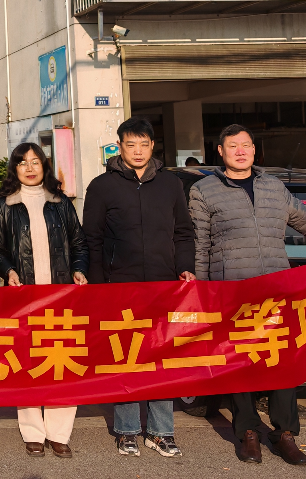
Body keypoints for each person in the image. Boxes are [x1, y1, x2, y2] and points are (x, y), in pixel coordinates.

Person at [189, 124, 306, 466]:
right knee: (239, 364)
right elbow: (200, 244)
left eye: (246, 145)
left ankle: (285, 434)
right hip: (232, 292)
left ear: (255, 150)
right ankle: (248, 433)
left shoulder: (273, 187)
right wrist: (203, 293)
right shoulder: (203, 190)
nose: (241, 151)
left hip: (276, 292)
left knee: (283, 362)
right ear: (220, 151)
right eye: (233, 145)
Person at [83, 117, 195, 459]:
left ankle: (161, 432)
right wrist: (99, 284)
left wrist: (185, 267)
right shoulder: (102, 186)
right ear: (120, 146)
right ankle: (127, 430)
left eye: (144, 144)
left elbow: (183, 232)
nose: (138, 151)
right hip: (120, 286)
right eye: (130, 144)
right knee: (127, 358)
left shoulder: (171, 184)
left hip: (164, 285)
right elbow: (92, 239)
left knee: (162, 357)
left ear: (152, 146)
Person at [0, 142, 88, 460]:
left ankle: (59, 433)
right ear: (14, 169)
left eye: (35, 162)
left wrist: (79, 269)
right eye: (23, 163)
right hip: (24, 296)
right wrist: (8, 270)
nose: (30, 168)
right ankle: (33, 432)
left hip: (60, 295)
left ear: (45, 165)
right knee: (27, 362)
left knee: (61, 360)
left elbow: (79, 242)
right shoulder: (6, 205)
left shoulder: (60, 202)